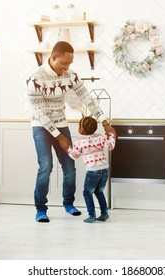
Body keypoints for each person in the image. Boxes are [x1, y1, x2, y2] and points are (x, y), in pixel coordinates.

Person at [26, 41, 115, 223]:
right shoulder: (35, 78)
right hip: (40, 125)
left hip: (61, 123)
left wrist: (105, 122)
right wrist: (59, 137)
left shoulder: (71, 75)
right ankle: (41, 209)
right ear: (53, 57)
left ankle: (68, 204)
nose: (66, 67)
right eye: (64, 63)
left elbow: (88, 99)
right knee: (46, 167)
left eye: (69, 64)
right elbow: (40, 113)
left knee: (69, 166)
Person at [68, 116, 116, 223]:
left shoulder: (79, 142)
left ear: (81, 129)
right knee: (99, 192)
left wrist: (68, 149)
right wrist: (112, 135)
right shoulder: (100, 137)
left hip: (92, 171)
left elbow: (74, 156)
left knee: (87, 193)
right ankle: (104, 214)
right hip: (104, 169)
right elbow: (111, 146)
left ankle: (91, 216)